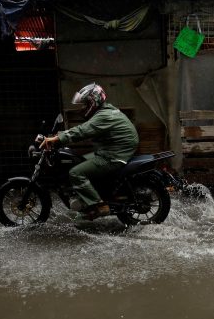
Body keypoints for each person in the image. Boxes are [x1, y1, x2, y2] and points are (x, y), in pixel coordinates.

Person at [40, 83, 139, 220]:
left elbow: (83, 130)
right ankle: (92, 195)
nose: (83, 107)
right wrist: (58, 135)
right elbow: (85, 129)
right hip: (112, 150)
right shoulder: (105, 111)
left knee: (76, 172)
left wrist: (57, 139)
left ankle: (98, 205)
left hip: (114, 155)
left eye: (85, 104)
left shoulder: (103, 115)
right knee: (80, 161)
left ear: (94, 101)